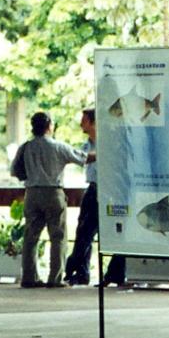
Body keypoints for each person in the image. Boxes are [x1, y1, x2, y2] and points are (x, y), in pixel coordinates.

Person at [12, 111, 85, 288]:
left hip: (31, 193)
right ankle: (55, 278)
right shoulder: (58, 147)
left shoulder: (25, 147)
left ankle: (29, 277)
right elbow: (81, 158)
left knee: (30, 237)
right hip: (53, 193)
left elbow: (14, 170)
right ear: (49, 126)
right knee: (58, 236)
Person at [62, 109, 125, 286]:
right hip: (92, 188)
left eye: (84, 121)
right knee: (83, 232)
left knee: (116, 231)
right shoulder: (87, 145)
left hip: (111, 190)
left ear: (94, 122)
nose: (80, 124)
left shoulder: (111, 142)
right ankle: (81, 272)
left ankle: (115, 273)